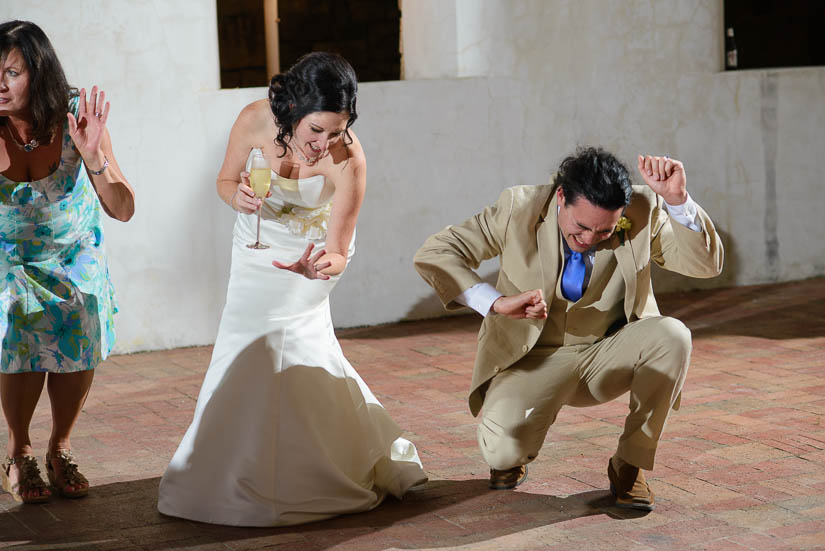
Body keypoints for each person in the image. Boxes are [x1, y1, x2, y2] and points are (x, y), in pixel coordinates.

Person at [158, 52, 426, 527]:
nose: (325, 144)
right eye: (315, 131)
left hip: (308, 261)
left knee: (295, 347)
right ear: (293, 112)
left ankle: (310, 470)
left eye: (337, 132)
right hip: (255, 248)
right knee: (242, 350)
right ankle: (225, 468)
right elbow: (225, 181)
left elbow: (340, 250)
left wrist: (319, 268)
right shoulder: (254, 120)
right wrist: (235, 195)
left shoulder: (350, 161)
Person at [414, 147, 723, 511]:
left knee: (673, 335)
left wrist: (676, 201)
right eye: (581, 227)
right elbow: (436, 253)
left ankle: (630, 462)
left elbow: (705, 266)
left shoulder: (645, 206)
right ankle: (513, 455)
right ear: (561, 197)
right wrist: (495, 303)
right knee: (500, 452)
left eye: (604, 230)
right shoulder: (518, 206)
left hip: (608, 352)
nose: (590, 239)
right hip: (534, 356)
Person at [0, 20, 135, 504]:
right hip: (9, 257)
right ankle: (19, 451)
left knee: (80, 305)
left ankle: (60, 447)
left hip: (74, 251)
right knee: (16, 314)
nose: (0, 84)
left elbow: (121, 208)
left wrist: (93, 155)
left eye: (11, 72)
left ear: (38, 72)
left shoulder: (76, 115)